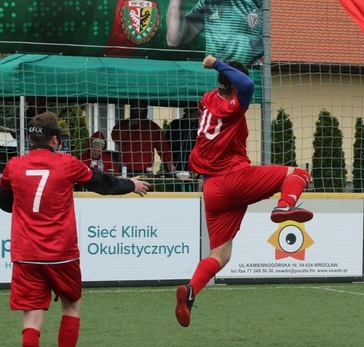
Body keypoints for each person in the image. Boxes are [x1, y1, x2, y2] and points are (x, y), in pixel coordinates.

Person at [0, 111, 150, 347]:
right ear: (55, 139)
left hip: (26, 253)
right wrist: (132, 185)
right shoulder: (67, 163)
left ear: (30, 138)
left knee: (32, 316)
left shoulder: (14, 166)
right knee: (72, 306)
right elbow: (103, 183)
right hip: (61, 254)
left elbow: (3, 199)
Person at [175, 55, 312, 328]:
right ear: (234, 85)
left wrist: (222, 72)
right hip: (233, 179)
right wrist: (216, 62)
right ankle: (284, 205)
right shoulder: (234, 107)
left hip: (211, 188)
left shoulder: (207, 100)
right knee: (298, 173)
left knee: (221, 255)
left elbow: (236, 83)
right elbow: (247, 85)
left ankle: (190, 291)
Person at [166, 0, 264, 67]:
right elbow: (174, 39)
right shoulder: (208, 2)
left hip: (251, 76)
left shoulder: (262, 3)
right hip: (217, 77)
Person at [110, 101, 174, 175]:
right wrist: (129, 125)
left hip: (146, 169)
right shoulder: (123, 125)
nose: (138, 109)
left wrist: (169, 162)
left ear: (145, 108)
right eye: (136, 106)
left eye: (141, 106)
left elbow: (163, 147)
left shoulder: (152, 127)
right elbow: (116, 139)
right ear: (131, 108)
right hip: (126, 168)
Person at [167, 107, 199, 172]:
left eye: (191, 111)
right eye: (186, 111)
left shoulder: (202, 125)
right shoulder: (176, 124)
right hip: (176, 164)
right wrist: (169, 161)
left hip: (195, 164)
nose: (187, 114)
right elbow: (167, 145)